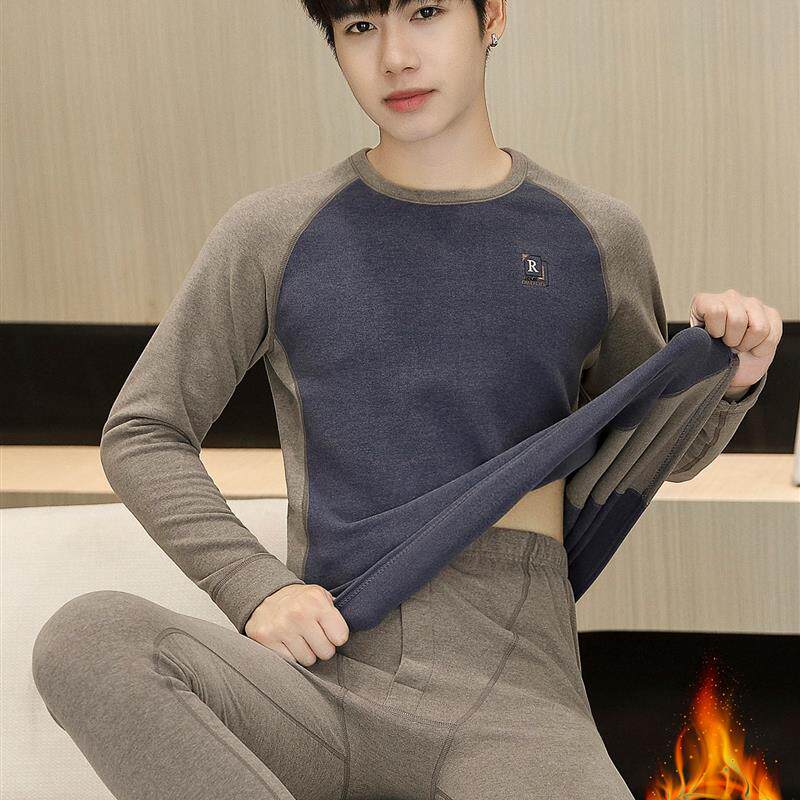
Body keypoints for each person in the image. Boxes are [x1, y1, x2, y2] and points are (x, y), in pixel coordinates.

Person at [31, 1, 779, 798]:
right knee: (91, 638)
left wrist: (732, 379)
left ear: (491, 15)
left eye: (425, 12)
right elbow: (143, 430)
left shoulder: (594, 236)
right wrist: (254, 586)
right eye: (359, 26)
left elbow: (657, 449)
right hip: (326, 679)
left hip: (518, 698)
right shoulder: (274, 232)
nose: (394, 56)